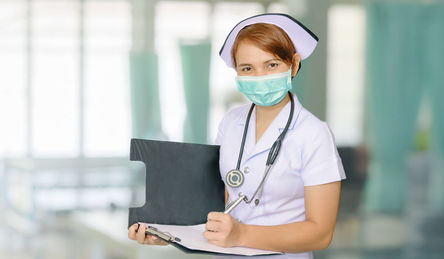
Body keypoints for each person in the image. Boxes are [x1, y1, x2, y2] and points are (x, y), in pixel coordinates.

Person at [128, 13, 346, 259]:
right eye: (247, 68)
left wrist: (242, 235)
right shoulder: (231, 122)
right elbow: (215, 208)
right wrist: (167, 233)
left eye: (271, 64)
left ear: (293, 64)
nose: (260, 76)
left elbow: (320, 233)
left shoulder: (314, 133)